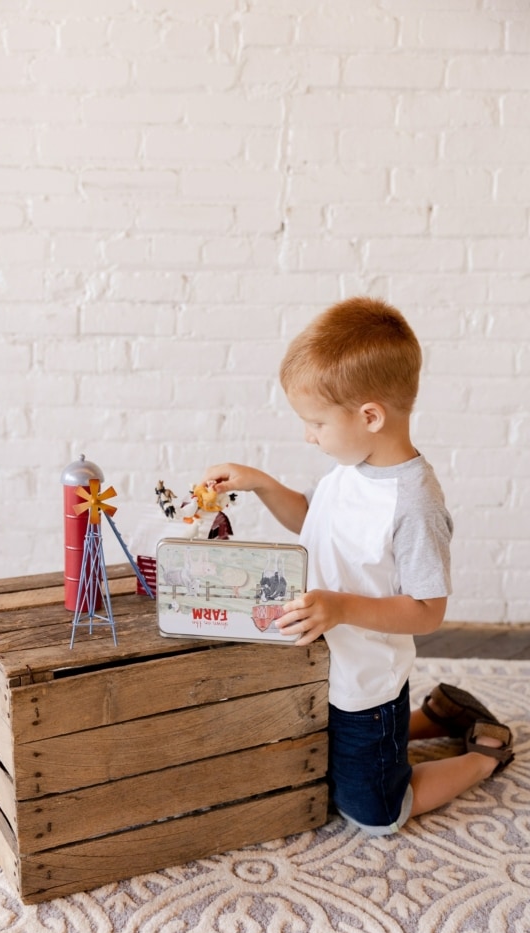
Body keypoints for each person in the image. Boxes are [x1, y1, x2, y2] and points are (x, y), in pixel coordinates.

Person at [203, 296, 514, 835]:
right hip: (326, 663)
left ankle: (485, 754)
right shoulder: (350, 468)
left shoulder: (414, 503)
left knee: (373, 811)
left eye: (316, 422)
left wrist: (342, 607)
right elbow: (312, 522)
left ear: (370, 416)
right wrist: (262, 484)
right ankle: (436, 716)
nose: (309, 435)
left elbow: (427, 611)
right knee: (323, 760)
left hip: (365, 684)